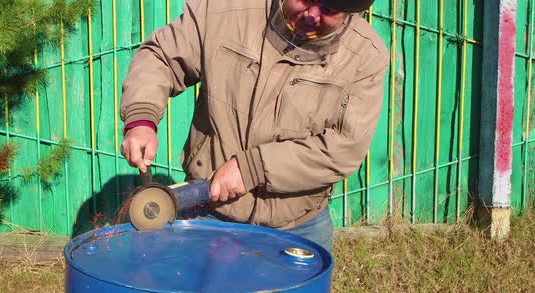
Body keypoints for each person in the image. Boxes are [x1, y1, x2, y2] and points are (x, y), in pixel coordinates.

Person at [120, 0, 389, 254]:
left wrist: (252, 168)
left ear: (352, 14)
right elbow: (163, 58)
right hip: (210, 213)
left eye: (329, 9)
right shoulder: (226, 10)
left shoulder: (365, 57)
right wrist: (141, 118)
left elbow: (344, 149)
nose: (311, 14)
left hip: (298, 225)